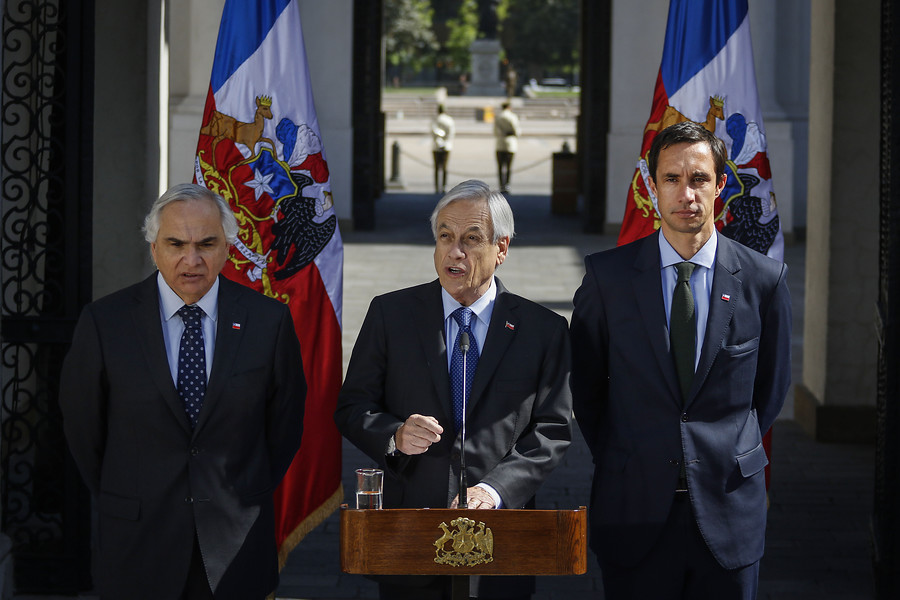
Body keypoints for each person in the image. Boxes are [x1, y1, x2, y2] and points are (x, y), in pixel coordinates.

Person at [569, 121, 791, 599]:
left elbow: (769, 391)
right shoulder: (607, 280)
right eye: (671, 179)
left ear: (721, 184)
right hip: (635, 512)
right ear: (652, 186)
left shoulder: (763, 280)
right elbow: (587, 392)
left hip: (729, 508)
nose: (685, 193)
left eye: (699, 179)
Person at [59, 183, 307, 600]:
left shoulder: (269, 322)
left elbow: (283, 428)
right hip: (138, 543)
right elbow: (85, 431)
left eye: (206, 244)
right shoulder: (106, 323)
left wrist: (237, 493)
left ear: (227, 248)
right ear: (153, 247)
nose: (191, 260)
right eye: (176, 244)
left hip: (235, 544)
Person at [335, 179, 572, 600]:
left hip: (501, 543)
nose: (454, 252)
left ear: (502, 248)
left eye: (471, 239)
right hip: (411, 536)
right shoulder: (391, 315)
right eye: (445, 236)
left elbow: (552, 430)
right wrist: (394, 435)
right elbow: (353, 407)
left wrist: (496, 489)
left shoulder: (544, 330)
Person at [493, 101, 521, 193]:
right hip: (510, 144)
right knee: (509, 166)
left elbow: (495, 132)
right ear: (509, 107)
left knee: (500, 166)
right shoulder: (512, 117)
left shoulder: (498, 117)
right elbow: (517, 131)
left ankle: (501, 185)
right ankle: (507, 185)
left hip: (500, 143)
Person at [431, 104, 455, 194]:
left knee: (437, 167)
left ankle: (437, 187)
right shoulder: (449, 120)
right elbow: (451, 134)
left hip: (436, 146)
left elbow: (433, 132)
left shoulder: (435, 120)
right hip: (447, 146)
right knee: (445, 167)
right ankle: (444, 186)